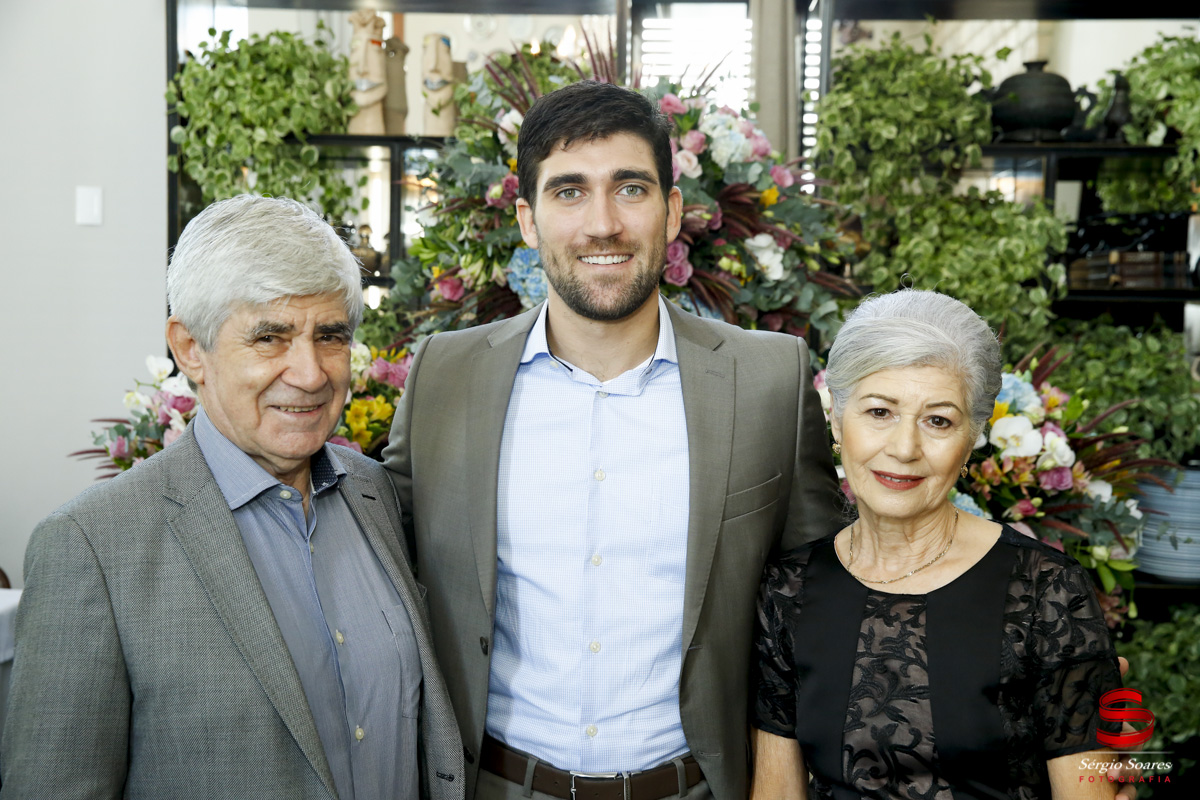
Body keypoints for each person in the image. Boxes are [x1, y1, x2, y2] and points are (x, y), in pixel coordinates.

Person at [382, 80, 843, 800]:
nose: (603, 224)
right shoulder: (445, 376)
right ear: (528, 221)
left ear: (673, 211)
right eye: (569, 192)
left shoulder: (767, 381)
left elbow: (817, 608)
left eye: (630, 188)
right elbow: (385, 573)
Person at [1, 195, 463, 800]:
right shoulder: (92, 547)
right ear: (190, 349)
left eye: (330, 336)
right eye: (270, 337)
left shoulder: (372, 491)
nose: (311, 373)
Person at [750, 289, 1123, 800]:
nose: (904, 448)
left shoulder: (1048, 592)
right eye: (879, 412)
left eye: (938, 420)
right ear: (836, 421)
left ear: (971, 438)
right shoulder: (787, 589)